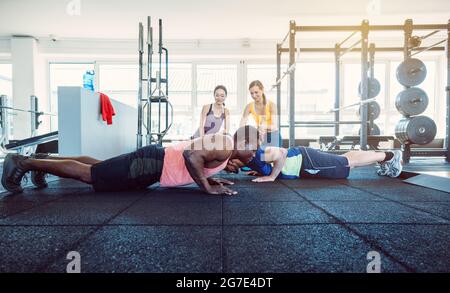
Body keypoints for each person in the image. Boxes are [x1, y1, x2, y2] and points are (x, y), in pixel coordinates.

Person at [1, 126, 260, 195]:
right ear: (245, 142)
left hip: (152, 162)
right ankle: (22, 163)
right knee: (91, 174)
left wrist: (210, 177)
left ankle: (42, 159)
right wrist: (207, 188)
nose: (255, 155)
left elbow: (196, 159)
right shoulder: (226, 144)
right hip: (151, 164)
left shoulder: (225, 147)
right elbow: (190, 156)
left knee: (97, 166)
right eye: (255, 148)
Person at [225, 145, 403, 181]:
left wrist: (271, 176)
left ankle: (389, 156)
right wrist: (262, 172)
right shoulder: (251, 162)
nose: (229, 170)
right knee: (345, 157)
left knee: (347, 163)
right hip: (305, 160)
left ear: (233, 159)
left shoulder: (256, 155)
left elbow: (280, 153)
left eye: (228, 166)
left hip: (306, 162)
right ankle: (383, 156)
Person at [240, 80, 281, 147]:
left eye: (256, 92)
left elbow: (274, 126)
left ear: (262, 90)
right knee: (258, 156)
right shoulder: (249, 106)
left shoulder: (271, 105)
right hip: (261, 137)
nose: (254, 95)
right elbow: (241, 124)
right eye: (251, 93)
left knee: (271, 156)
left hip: (273, 136)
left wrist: (263, 127)